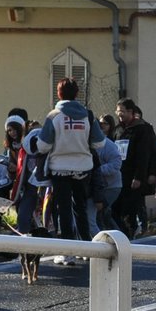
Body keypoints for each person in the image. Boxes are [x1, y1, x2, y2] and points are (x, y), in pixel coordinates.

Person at [35, 78, 104, 261]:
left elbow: (42, 145)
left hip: (59, 169)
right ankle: (86, 249)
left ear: (59, 94)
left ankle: (67, 252)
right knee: (80, 207)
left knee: (63, 209)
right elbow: (99, 142)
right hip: (83, 168)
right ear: (76, 94)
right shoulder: (88, 115)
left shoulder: (53, 116)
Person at [110, 99, 156, 238]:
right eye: (118, 112)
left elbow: (145, 155)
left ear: (131, 112)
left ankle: (131, 235)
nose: (120, 115)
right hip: (119, 174)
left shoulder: (142, 129)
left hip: (133, 176)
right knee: (115, 208)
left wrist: (139, 177)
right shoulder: (118, 129)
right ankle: (121, 236)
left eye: (122, 112)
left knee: (130, 209)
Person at [91, 128, 122, 235]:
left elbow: (116, 163)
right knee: (102, 213)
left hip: (111, 186)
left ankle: (117, 237)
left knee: (101, 212)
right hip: (98, 185)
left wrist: (97, 171)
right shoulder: (88, 143)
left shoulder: (107, 145)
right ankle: (116, 236)